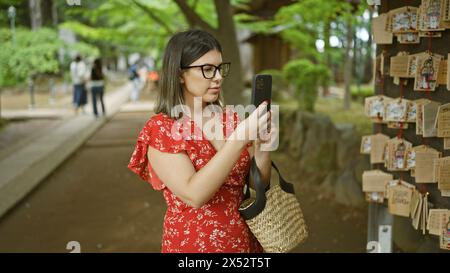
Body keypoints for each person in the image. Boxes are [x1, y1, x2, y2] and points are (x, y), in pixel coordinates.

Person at [128, 29, 277, 253]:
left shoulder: (230, 118)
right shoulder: (161, 129)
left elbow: (259, 185)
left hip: (246, 243)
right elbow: (194, 195)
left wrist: (264, 146)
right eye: (207, 69)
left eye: (219, 68)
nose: (218, 77)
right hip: (195, 246)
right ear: (179, 74)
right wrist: (238, 140)